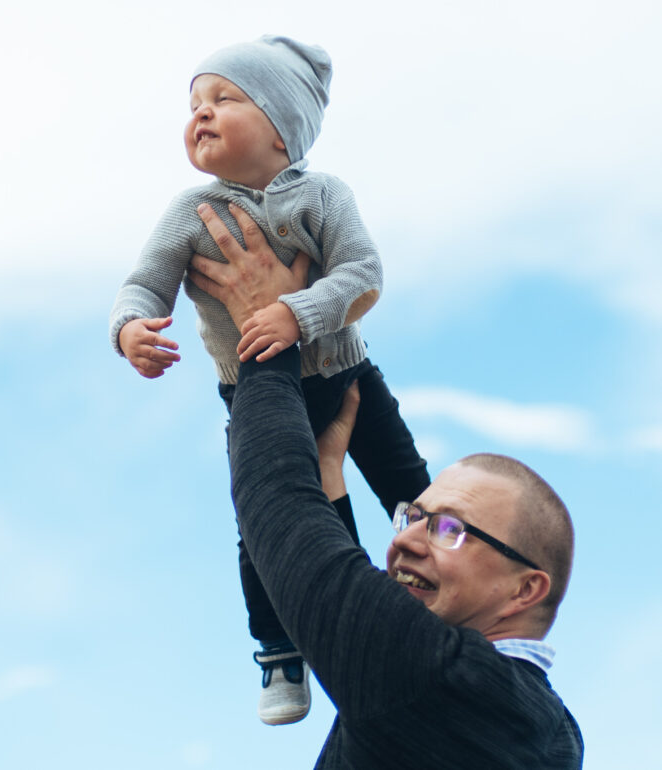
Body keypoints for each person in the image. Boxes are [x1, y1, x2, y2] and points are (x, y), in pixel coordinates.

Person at [191, 206, 584, 769]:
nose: (405, 542)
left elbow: (277, 506)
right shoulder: (533, 723)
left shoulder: (452, 683)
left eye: (451, 528)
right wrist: (332, 475)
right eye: (412, 517)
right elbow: (354, 623)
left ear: (526, 590)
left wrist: (268, 329)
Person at [109, 36, 429, 724]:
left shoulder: (322, 196)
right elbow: (144, 284)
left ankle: (441, 572)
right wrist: (130, 329)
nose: (201, 112)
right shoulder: (188, 213)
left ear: (284, 134)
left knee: (407, 483)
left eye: (225, 98)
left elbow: (363, 276)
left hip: (346, 373)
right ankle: (280, 650)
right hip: (253, 394)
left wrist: (295, 311)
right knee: (261, 523)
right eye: (193, 102)